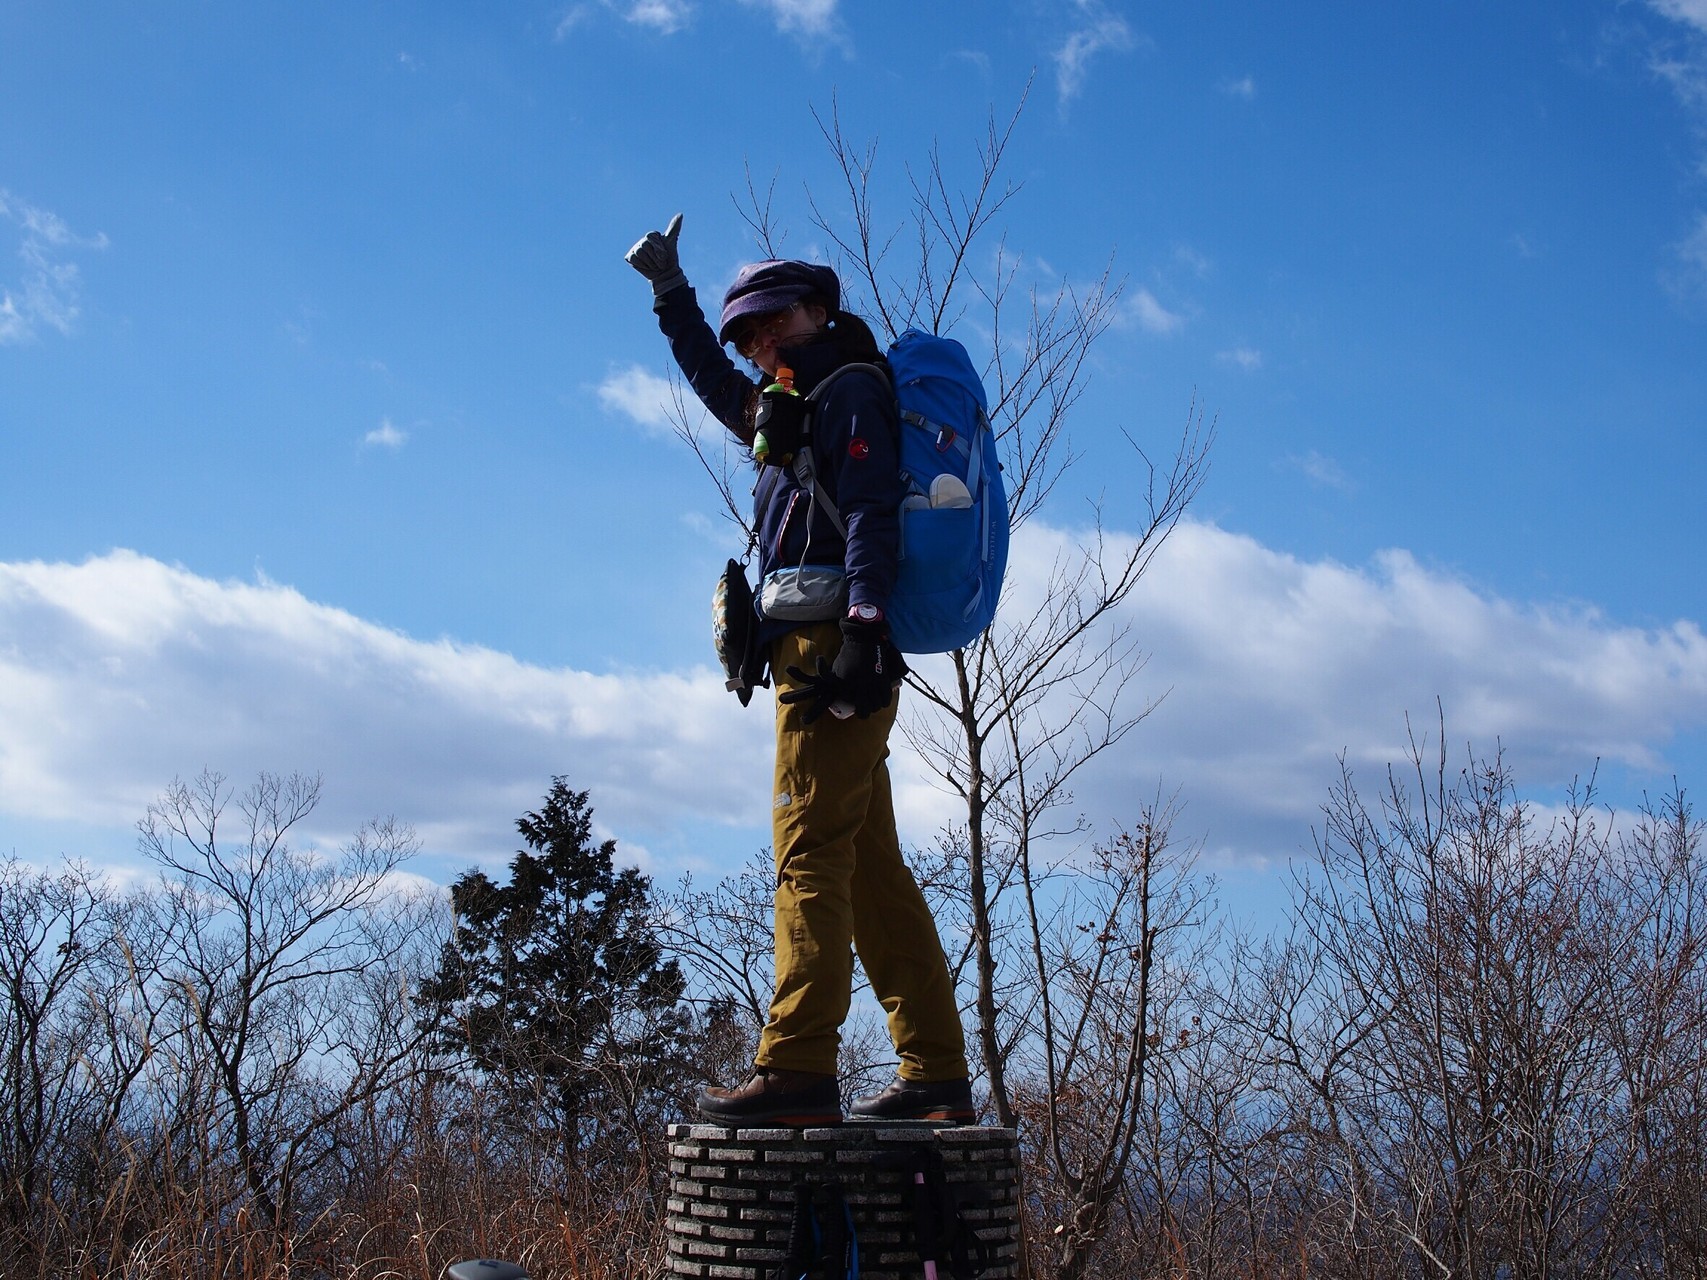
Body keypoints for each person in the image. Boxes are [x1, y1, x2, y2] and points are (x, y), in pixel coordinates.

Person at [626, 212, 975, 1126]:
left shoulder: (847, 389)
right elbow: (711, 384)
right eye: (748, 332)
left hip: (831, 651)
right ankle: (936, 1075)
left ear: (818, 309)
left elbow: (867, 512)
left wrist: (861, 633)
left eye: (772, 320)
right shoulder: (785, 403)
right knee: (868, 869)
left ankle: (796, 1068)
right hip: (813, 647)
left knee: (806, 850)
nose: (757, 341)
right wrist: (673, 298)